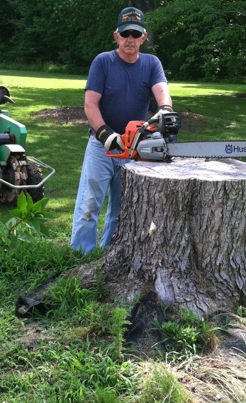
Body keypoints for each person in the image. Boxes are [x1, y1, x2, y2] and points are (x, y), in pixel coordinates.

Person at [71, 6, 174, 254]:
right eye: (125, 34)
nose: (130, 39)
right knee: (89, 205)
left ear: (143, 37)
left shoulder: (151, 63)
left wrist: (166, 109)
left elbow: (161, 90)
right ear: (116, 36)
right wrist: (106, 135)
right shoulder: (103, 62)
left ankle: (110, 256)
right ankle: (79, 257)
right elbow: (90, 104)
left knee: (123, 208)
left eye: (135, 34)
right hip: (101, 147)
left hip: (134, 148)